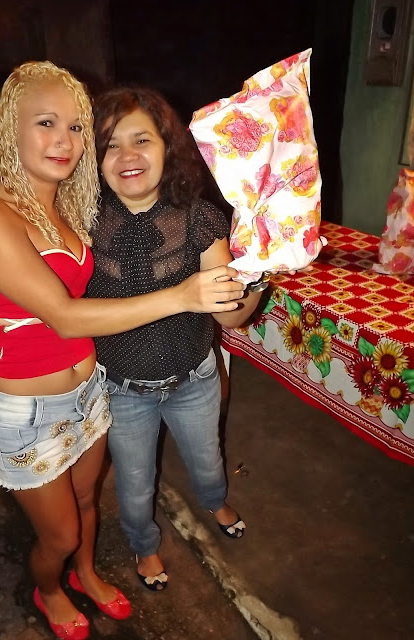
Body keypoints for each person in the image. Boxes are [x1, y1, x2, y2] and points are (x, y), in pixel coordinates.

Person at [0, 61, 244, 640]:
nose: (64, 140)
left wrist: (249, 272)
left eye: (74, 126)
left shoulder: (68, 205)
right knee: (60, 533)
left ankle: (86, 574)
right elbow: (64, 315)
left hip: (90, 391)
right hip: (29, 409)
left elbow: (228, 306)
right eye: (46, 123)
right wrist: (182, 295)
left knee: (89, 501)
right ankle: (50, 589)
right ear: (10, 126)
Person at [87, 87, 266, 590]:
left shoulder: (199, 217)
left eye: (141, 139)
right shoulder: (81, 224)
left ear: (167, 146)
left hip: (194, 380)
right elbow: (68, 309)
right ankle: (143, 544)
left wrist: (260, 272)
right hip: (121, 390)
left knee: (207, 459)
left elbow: (231, 318)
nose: (127, 155)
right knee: (134, 483)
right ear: (94, 159)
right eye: (111, 144)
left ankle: (214, 501)